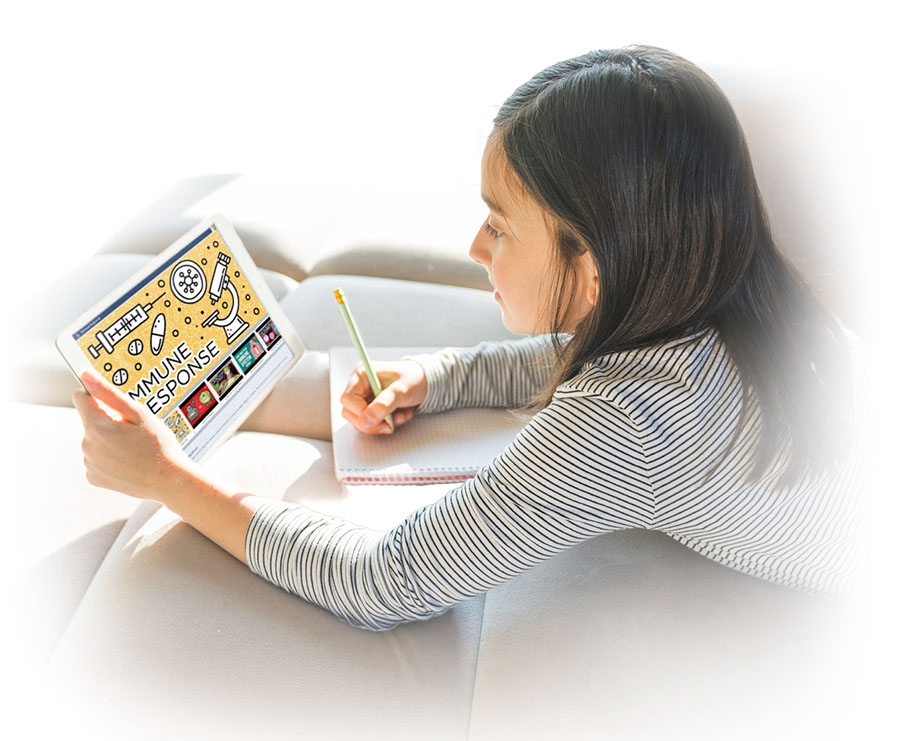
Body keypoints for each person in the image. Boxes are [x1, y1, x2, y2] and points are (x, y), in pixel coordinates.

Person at [73, 45, 866, 631]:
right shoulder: (731, 287)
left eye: (497, 224)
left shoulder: (633, 424)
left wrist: (171, 479)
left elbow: (383, 581)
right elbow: (576, 360)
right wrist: (437, 378)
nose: (475, 250)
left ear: (591, 265)